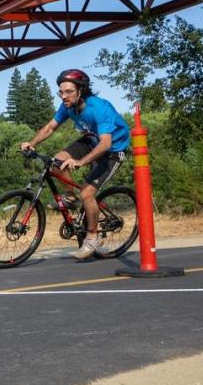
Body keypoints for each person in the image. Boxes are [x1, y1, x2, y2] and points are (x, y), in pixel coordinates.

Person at [20, 69, 130, 259]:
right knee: (56, 162)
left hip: (112, 149)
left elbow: (106, 143)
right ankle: (70, 198)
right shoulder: (68, 106)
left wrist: (80, 162)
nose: (63, 96)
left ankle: (93, 237)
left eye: (68, 91)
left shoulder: (99, 108)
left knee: (87, 193)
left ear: (81, 90)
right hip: (91, 140)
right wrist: (32, 143)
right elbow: (50, 127)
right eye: (61, 92)